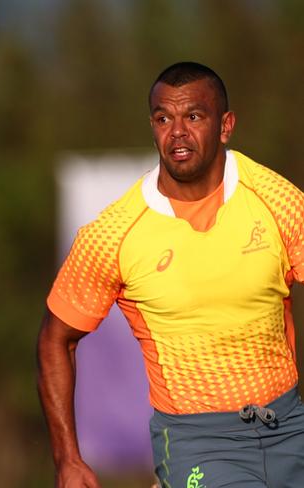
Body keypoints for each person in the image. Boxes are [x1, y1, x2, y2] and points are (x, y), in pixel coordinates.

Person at [37, 61, 304, 488]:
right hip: (198, 442)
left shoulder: (277, 201)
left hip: (290, 425)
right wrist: (67, 457)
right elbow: (55, 339)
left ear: (225, 125)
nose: (177, 132)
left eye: (193, 116)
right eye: (164, 118)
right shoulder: (113, 233)